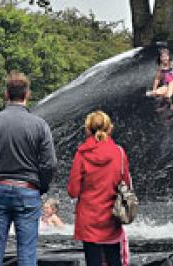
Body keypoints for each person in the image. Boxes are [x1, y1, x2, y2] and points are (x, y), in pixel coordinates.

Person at [0, 71, 57, 266]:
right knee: (27, 253)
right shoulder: (39, 125)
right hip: (28, 191)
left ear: (6, 94)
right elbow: (50, 163)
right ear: (27, 94)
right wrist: (41, 187)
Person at [67, 111, 132, 266]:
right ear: (109, 128)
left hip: (88, 218)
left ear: (88, 130)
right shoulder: (119, 153)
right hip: (111, 217)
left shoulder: (82, 154)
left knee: (93, 261)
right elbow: (126, 185)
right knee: (114, 260)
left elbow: (72, 191)